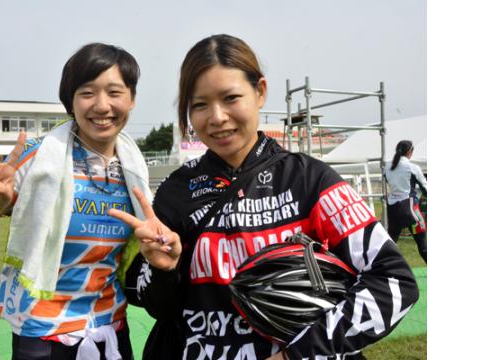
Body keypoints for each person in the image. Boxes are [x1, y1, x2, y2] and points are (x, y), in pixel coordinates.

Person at [109, 34, 419, 360]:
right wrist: (163, 269)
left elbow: (394, 283)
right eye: (199, 105)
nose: (216, 117)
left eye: (230, 98)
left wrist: (297, 353)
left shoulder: (310, 180)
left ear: (260, 92)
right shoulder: (176, 190)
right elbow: (154, 305)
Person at [0, 42, 152, 360]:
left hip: (111, 328)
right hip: (42, 334)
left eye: (114, 92)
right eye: (87, 92)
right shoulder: (40, 158)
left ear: (132, 99)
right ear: (71, 101)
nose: (102, 105)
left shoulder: (133, 165)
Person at [384, 140, 427, 262]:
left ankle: (385, 274)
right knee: (423, 246)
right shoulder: (413, 167)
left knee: (390, 246)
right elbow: (425, 188)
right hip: (411, 210)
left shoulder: (387, 167)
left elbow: (389, 182)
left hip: (393, 210)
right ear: (409, 152)